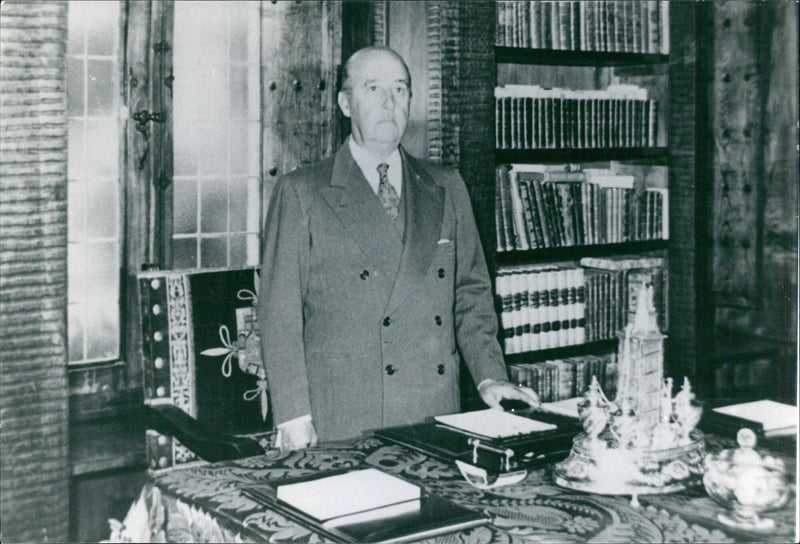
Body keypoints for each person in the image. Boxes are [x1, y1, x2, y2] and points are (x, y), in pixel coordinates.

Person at [258, 46, 539, 452]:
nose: (389, 103)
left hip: (432, 411)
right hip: (341, 415)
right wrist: (293, 416)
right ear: (345, 103)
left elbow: (471, 294)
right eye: (373, 89)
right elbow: (279, 315)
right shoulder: (302, 192)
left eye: (401, 89)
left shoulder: (446, 185)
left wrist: (490, 377)